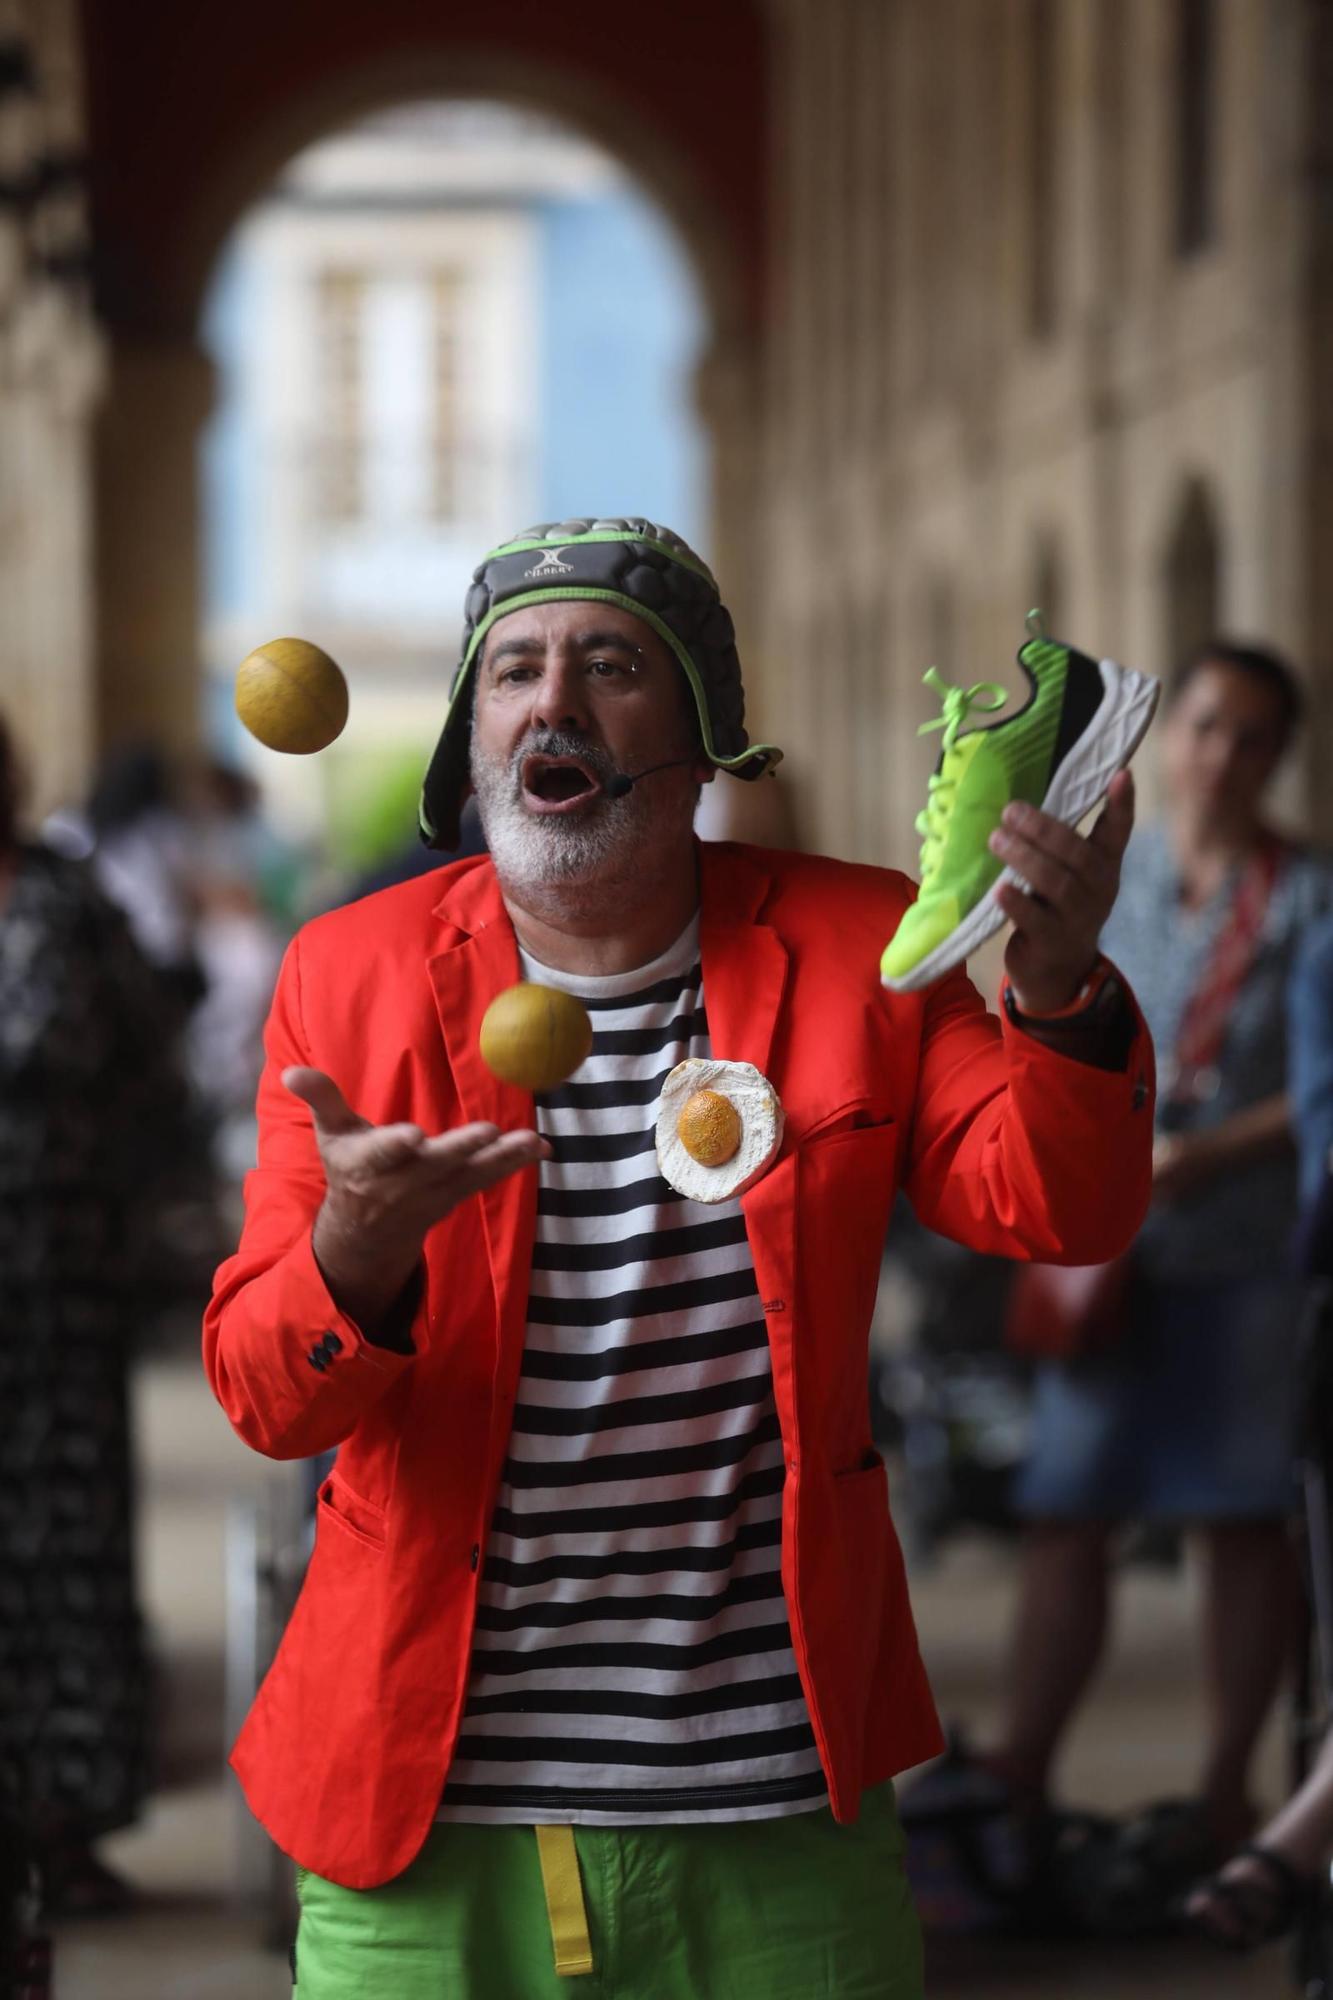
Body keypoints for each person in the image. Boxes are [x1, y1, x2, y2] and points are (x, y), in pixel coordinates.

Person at [204, 517, 1155, 1998]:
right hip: (426, 1810)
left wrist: (1056, 983)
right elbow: (266, 1395)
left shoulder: (860, 945)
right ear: (474, 743)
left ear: (706, 734)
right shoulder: (354, 973)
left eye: (609, 665)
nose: (552, 701)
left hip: (775, 1805)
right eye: (513, 670)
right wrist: (354, 1253)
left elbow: (1056, 1208)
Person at [978, 638, 1333, 1920]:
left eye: (1252, 736)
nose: (1223, 755)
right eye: (1205, 726)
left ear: (1280, 755)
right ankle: (1019, 1768)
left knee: (1239, 1524)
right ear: (1167, 734)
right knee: (1068, 1509)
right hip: (1103, 1246)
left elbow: (1320, 1090)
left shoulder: (1305, 898)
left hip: (1236, 1251)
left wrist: (1201, 1153)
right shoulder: (1102, 881)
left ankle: (1231, 1791)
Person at [0, 716, 185, 1915]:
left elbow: (151, 1063)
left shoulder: (66, 901)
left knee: (62, 1560)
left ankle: (60, 1823)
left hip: (57, 1287)